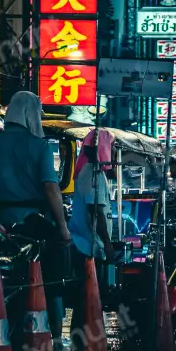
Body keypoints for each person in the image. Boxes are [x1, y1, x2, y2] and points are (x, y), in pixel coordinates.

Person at [0, 90, 71, 339]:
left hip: (2, 226)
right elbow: (51, 188)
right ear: (31, 114)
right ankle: (55, 340)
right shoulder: (40, 146)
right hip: (36, 225)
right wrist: (62, 227)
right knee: (53, 282)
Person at [68, 129, 115, 321]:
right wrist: (108, 243)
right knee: (88, 299)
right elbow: (95, 212)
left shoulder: (93, 172)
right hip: (87, 246)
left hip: (90, 245)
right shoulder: (92, 173)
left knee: (89, 299)